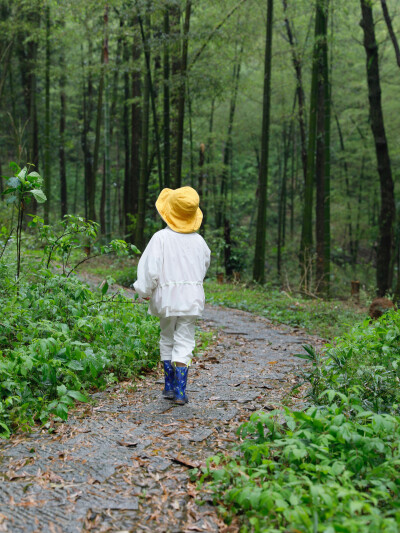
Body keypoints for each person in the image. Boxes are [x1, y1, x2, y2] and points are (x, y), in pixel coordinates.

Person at [133, 186, 211, 405]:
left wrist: (145, 291)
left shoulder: (160, 239)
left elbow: (150, 269)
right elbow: (203, 267)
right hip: (191, 298)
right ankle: (180, 391)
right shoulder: (199, 242)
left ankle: (168, 386)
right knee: (185, 339)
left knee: (167, 336)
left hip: (166, 298)